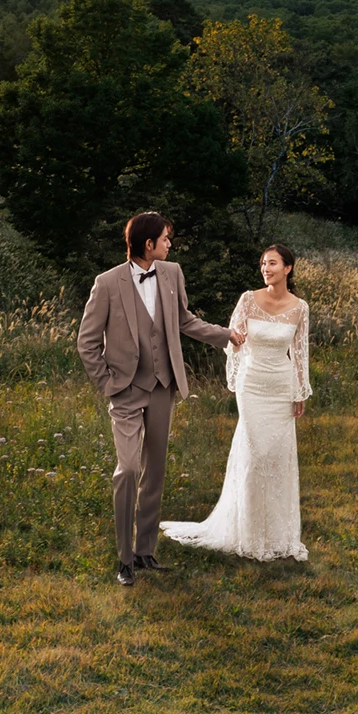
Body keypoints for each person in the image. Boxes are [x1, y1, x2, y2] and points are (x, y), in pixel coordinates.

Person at [76, 210, 243, 585]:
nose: (170, 244)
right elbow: (87, 343)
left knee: (154, 473)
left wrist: (224, 334)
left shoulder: (172, 274)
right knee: (128, 470)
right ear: (148, 244)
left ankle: (145, 551)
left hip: (163, 388)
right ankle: (123, 560)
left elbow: (184, 320)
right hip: (126, 391)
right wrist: (108, 383)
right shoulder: (106, 284)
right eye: (166, 239)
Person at [162, 243, 312, 562]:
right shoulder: (248, 299)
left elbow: (300, 354)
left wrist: (300, 391)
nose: (266, 269)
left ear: (288, 268)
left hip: (281, 386)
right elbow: (232, 340)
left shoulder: (300, 307)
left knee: (276, 456)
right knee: (256, 452)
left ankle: (276, 533)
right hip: (253, 384)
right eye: (262, 264)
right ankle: (247, 532)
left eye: (272, 263)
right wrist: (237, 345)